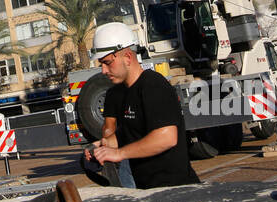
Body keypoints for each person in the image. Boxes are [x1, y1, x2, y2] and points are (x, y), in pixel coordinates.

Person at [85, 22, 199, 189]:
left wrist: (119, 153)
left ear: (128, 57)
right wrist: (102, 145)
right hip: (149, 190)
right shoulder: (125, 92)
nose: (103, 70)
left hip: (175, 190)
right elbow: (130, 134)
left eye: (108, 63)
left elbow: (166, 137)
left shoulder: (153, 85)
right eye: (101, 64)